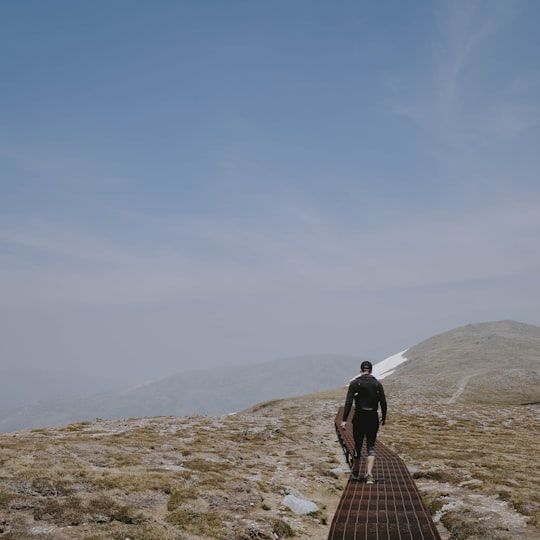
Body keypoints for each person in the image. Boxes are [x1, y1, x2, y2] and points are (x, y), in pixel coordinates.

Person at [340, 360, 387, 484]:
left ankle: (355, 471)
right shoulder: (377, 384)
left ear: (361, 370)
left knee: (358, 444)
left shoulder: (355, 383)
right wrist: (384, 417)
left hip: (359, 417)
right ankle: (369, 475)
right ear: (371, 370)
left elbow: (349, 403)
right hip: (372, 418)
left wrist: (344, 420)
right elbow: (383, 402)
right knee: (371, 445)